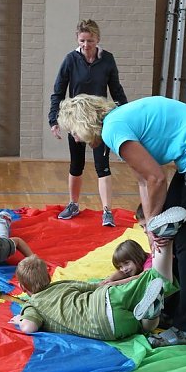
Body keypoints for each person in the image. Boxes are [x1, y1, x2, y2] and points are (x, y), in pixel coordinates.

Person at [56, 94, 186, 346]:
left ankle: (185, 329)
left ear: (82, 123)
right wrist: (150, 229)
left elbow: (157, 179)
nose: (76, 139)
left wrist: (154, 222)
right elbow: (144, 180)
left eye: (74, 132)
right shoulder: (117, 123)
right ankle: (170, 311)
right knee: (171, 238)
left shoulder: (113, 129)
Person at [48, 19, 128, 227]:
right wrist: (54, 120)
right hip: (77, 121)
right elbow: (58, 92)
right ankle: (73, 204)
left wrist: (126, 114)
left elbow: (116, 90)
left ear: (97, 39)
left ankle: (107, 210)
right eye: (82, 40)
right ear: (77, 39)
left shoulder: (107, 60)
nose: (86, 44)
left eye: (90, 40)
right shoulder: (70, 60)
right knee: (77, 164)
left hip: (99, 121)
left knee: (103, 166)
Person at [10, 252, 177, 347]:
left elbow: (30, 327)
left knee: (143, 327)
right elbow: (101, 285)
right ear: (49, 276)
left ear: (23, 288)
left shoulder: (32, 305)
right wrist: (136, 278)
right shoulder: (62, 284)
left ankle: (152, 313)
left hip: (106, 326)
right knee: (146, 283)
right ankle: (162, 253)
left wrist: (20, 319)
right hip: (105, 298)